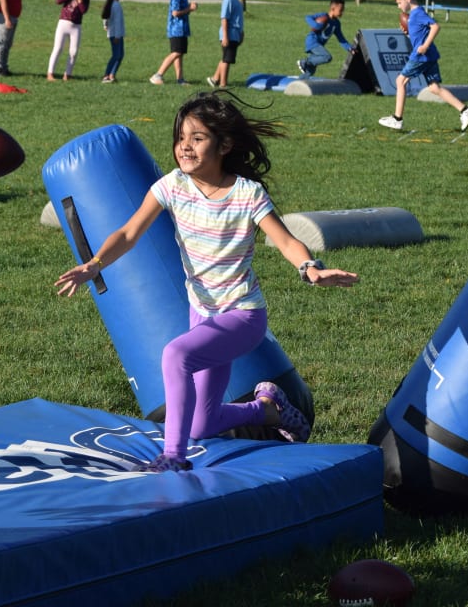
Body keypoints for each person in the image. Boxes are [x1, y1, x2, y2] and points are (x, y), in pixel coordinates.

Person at [55, 92, 359, 473]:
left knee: (176, 355)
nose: (185, 146)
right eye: (181, 137)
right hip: (202, 314)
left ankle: (172, 457)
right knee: (201, 423)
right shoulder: (172, 186)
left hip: (242, 317)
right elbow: (130, 232)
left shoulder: (247, 194)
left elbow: (284, 240)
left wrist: (309, 268)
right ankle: (269, 409)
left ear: (224, 144)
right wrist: (94, 264)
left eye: (197, 138)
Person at [378, 0, 468, 132]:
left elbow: (435, 26)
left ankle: (397, 119)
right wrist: (408, 34)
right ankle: (464, 110)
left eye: (399, 2)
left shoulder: (417, 13)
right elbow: (420, 34)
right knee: (434, 87)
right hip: (429, 55)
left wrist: (424, 46)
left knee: (400, 81)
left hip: (421, 56)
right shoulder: (414, 14)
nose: (399, 6)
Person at [151, 0, 196, 86]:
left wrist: (189, 9)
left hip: (182, 29)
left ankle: (180, 79)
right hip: (176, 29)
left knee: (179, 53)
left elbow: (183, 11)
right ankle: (158, 75)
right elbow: (175, 13)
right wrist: (190, 8)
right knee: (176, 52)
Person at [47, 0, 89, 81]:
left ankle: (67, 75)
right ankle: (50, 74)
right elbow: (58, 1)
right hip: (63, 24)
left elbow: (83, 10)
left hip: (76, 26)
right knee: (58, 48)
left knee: (73, 52)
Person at [297, 0, 354, 77]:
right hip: (312, 41)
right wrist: (316, 25)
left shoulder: (337, 23)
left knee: (310, 72)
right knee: (327, 57)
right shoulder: (323, 16)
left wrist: (350, 48)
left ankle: (297, 86)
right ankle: (305, 61)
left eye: (343, 10)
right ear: (333, 8)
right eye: (340, 10)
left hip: (319, 45)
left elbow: (341, 38)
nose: (342, 12)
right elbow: (308, 17)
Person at [208, 0, 245, 88]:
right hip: (228, 34)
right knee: (227, 60)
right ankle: (223, 83)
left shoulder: (236, 1)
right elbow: (224, 18)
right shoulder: (228, 0)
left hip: (235, 34)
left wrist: (241, 33)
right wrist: (225, 36)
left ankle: (214, 79)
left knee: (226, 57)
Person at [101, 0, 125, 83]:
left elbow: (106, 16)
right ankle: (106, 75)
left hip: (117, 34)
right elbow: (117, 22)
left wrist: (105, 25)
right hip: (116, 35)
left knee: (120, 55)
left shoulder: (113, 4)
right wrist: (117, 36)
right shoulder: (115, 6)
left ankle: (112, 74)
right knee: (116, 55)